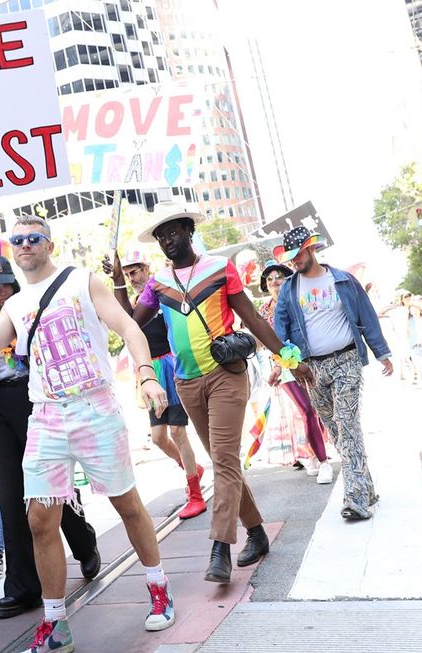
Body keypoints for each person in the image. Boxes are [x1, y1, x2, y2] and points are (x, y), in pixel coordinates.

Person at [0, 217, 176, 652]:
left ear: (48, 244)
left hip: (94, 405)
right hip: (47, 415)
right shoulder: (15, 306)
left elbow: (129, 327)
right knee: (39, 519)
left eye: (32, 239)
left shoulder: (81, 281)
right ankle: (56, 624)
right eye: (16, 240)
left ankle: (158, 587)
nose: (23, 246)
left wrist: (147, 376)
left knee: (127, 503)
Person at [127, 202, 313, 584]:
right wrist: (116, 283)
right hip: (186, 382)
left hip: (225, 373)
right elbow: (130, 326)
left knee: (224, 460)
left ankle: (220, 547)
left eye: (173, 232)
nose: (167, 240)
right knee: (223, 461)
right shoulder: (157, 282)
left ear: (189, 232)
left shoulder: (218, 267)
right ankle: (257, 533)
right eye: (161, 236)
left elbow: (253, 318)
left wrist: (289, 360)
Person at [0, 255, 101, 609]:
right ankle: (22, 585)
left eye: (6, 283)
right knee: (9, 495)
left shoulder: (28, 308)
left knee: (52, 488)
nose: (2, 292)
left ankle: (83, 542)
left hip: (37, 401)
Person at [271, 226, 393, 521]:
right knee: (336, 430)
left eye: (297, 255)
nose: (293, 262)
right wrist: (281, 363)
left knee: (347, 424)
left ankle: (356, 499)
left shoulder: (342, 280)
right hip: (312, 369)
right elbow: (280, 330)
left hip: (347, 360)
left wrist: (382, 353)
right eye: (290, 258)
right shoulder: (289, 289)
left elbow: (366, 315)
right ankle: (365, 486)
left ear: (311, 249)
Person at [104, 249, 207, 519]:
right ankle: (192, 468)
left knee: (177, 432)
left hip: (173, 366)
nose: (132, 276)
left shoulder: (163, 291)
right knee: (159, 438)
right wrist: (118, 282)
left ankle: (195, 492)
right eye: (127, 273)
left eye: (135, 271)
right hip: (150, 373)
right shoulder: (140, 302)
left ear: (147, 268)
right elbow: (127, 322)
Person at [258, 259, 332, 482]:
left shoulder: (297, 299)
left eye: (278, 277)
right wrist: (278, 365)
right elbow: (265, 340)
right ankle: (323, 461)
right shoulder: (263, 310)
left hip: (309, 361)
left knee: (320, 409)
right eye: (269, 279)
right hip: (284, 367)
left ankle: (313, 450)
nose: (274, 282)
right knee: (307, 410)